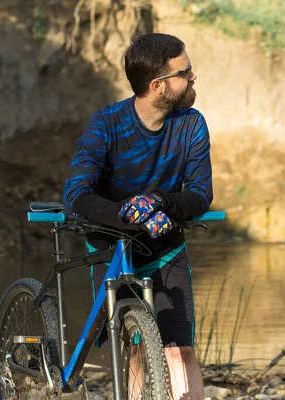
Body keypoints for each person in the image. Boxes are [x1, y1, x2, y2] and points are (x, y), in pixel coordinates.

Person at [63, 32, 212, 399]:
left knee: (181, 350)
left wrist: (158, 202)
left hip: (165, 247)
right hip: (113, 246)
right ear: (159, 86)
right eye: (185, 71)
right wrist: (128, 217)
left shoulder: (191, 124)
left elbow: (199, 194)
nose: (193, 77)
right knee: (133, 347)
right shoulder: (107, 124)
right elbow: (76, 194)